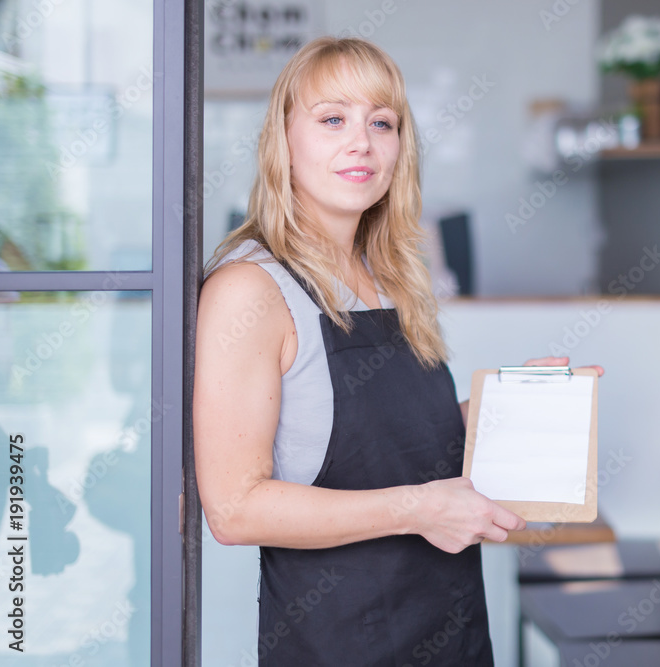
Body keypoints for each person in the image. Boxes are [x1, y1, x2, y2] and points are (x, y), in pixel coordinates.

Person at [194, 36, 601, 666]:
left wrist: (511, 408)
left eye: (381, 123)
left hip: (449, 624)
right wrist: (421, 509)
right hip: (339, 639)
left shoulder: (389, 275)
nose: (361, 142)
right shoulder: (249, 288)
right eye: (332, 119)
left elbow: (402, 441)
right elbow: (234, 508)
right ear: (284, 139)